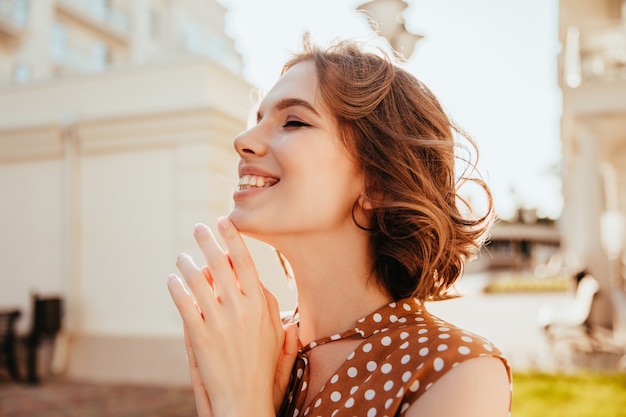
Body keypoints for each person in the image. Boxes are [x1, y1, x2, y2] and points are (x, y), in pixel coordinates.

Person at [167, 35, 512, 417]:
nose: (243, 141)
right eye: (257, 120)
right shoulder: (248, 344)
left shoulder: (457, 373)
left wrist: (242, 406)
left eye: (293, 121)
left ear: (379, 182)